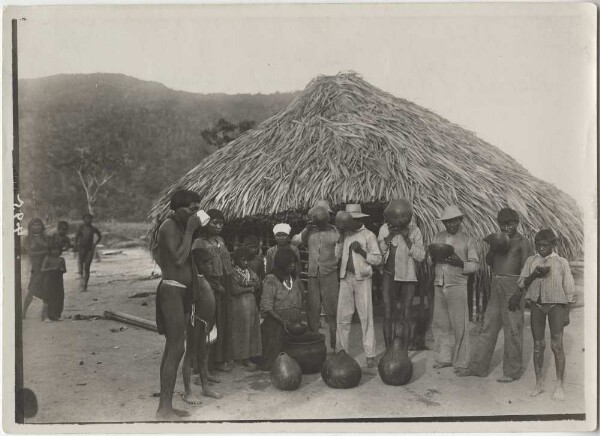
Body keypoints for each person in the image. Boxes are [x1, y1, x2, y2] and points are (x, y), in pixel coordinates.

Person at [461, 208, 534, 382]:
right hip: (496, 282)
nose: (506, 227)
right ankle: (478, 367)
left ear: (517, 223)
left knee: (513, 328)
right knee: (488, 326)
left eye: (510, 224)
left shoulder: (523, 242)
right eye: (502, 224)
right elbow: (488, 261)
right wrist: (493, 247)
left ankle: (511, 372)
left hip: (514, 284)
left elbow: (527, 269)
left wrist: (519, 292)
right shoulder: (498, 239)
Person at [153, 189, 203, 420]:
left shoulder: (180, 228)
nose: (196, 213)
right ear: (179, 208)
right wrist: (192, 230)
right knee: (176, 348)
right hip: (171, 290)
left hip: (181, 292)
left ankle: (166, 406)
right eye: (192, 209)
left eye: (197, 209)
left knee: (173, 348)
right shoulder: (168, 227)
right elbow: (178, 259)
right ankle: (164, 409)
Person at [518, 229, 575, 401]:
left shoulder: (561, 262)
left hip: (555, 306)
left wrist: (567, 312)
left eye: (545, 245)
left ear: (554, 245)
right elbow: (521, 283)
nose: (541, 248)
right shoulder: (531, 260)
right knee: (538, 345)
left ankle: (559, 385)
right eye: (538, 245)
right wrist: (535, 274)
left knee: (557, 346)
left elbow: (569, 289)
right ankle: (539, 383)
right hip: (536, 306)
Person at [429, 205, 479, 376]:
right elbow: (430, 260)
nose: (450, 225)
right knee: (440, 323)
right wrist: (433, 258)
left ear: (460, 221)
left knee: (460, 325)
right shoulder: (437, 237)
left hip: (457, 284)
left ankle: (462, 362)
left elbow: (475, 265)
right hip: (439, 283)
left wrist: (461, 264)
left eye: (453, 221)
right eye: (447, 222)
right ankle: (443, 358)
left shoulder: (468, 240)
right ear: (443, 223)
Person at [335, 205, 382, 368]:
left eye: (351, 220)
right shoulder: (345, 234)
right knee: (342, 317)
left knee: (366, 317)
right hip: (345, 279)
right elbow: (337, 255)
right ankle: (341, 352)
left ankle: (370, 355)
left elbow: (378, 259)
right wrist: (340, 238)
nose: (348, 223)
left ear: (359, 219)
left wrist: (362, 252)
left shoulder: (369, 235)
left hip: (362, 279)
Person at [377, 199, 425, 350]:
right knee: (388, 314)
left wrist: (406, 238)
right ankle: (389, 350)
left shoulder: (414, 230)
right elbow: (379, 252)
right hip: (389, 275)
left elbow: (421, 255)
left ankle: (403, 352)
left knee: (406, 314)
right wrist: (390, 237)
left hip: (408, 277)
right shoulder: (384, 228)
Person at [291, 203, 340, 349]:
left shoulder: (335, 232)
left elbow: (341, 250)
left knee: (332, 310)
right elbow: (295, 242)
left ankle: (335, 344)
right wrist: (307, 228)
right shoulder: (310, 232)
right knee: (313, 310)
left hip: (329, 275)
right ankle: (315, 343)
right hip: (313, 275)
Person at [194, 209, 234, 373]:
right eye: (214, 222)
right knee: (209, 323)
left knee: (223, 320)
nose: (218, 226)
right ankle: (202, 364)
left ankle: (219, 360)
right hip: (209, 285)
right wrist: (215, 285)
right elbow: (198, 267)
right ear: (206, 223)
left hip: (225, 283)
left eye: (221, 223)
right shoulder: (199, 243)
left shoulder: (221, 240)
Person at [182, 244, 222, 404]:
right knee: (190, 355)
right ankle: (187, 392)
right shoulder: (192, 281)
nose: (211, 266)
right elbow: (188, 303)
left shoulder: (203, 278)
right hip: (195, 322)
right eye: (208, 263)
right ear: (198, 264)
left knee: (203, 354)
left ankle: (205, 387)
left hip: (204, 323)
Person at [258, 247, 305, 371]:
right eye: (289, 263)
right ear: (281, 264)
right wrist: (283, 321)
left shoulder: (295, 279)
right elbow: (266, 307)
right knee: (277, 362)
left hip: (294, 323)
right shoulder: (271, 280)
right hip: (276, 325)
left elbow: (301, 299)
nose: (292, 266)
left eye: (294, 263)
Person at [229, 246, 262, 370]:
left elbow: (258, 283)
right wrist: (249, 287)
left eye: (248, 260)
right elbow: (235, 290)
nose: (246, 262)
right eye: (243, 260)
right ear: (236, 260)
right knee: (240, 331)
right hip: (239, 307)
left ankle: (248, 356)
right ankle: (240, 358)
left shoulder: (249, 271)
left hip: (251, 306)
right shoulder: (233, 273)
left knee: (251, 330)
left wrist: (246, 284)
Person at [23, 218, 49, 319]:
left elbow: (52, 250)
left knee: (46, 288)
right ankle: (23, 313)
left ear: (42, 226)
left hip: (47, 267)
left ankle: (45, 314)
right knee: (31, 289)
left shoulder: (46, 237)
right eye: (34, 225)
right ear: (30, 227)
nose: (36, 227)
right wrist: (44, 251)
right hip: (36, 267)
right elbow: (30, 253)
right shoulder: (27, 239)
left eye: (39, 225)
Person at [74, 213, 102, 292]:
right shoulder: (81, 228)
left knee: (87, 267)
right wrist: (75, 246)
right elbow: (76, 238)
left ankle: (85, 286)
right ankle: (81, 281)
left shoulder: (93, 228)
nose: (88, 220)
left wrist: (95, 243)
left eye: (90, 219)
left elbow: (100, 236)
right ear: (83, 220)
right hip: (81, 248)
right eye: (86, 219)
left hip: (90, 249)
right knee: (81, 266)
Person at [40, 243, 67, 321]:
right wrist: (52, 268)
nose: (56, 251)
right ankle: (48, 314)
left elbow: (64, 270)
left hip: (58, 280)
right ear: (50, 251)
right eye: (54, 250)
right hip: (49, 280)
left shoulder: (61, 259)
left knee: (59, 297)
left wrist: (61, 270)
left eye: (57, 250)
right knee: (50, 297)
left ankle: (56, 314)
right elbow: (42, 269)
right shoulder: (47, 258)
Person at [243, 235, 266, 307]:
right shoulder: (241, 259)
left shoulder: (259, 260)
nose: (253, 250)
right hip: (243, 289)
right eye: (251, 247)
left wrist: (261, 290)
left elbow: (263, 277)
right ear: (245, 247)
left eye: (255, 247)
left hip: (256, 290)